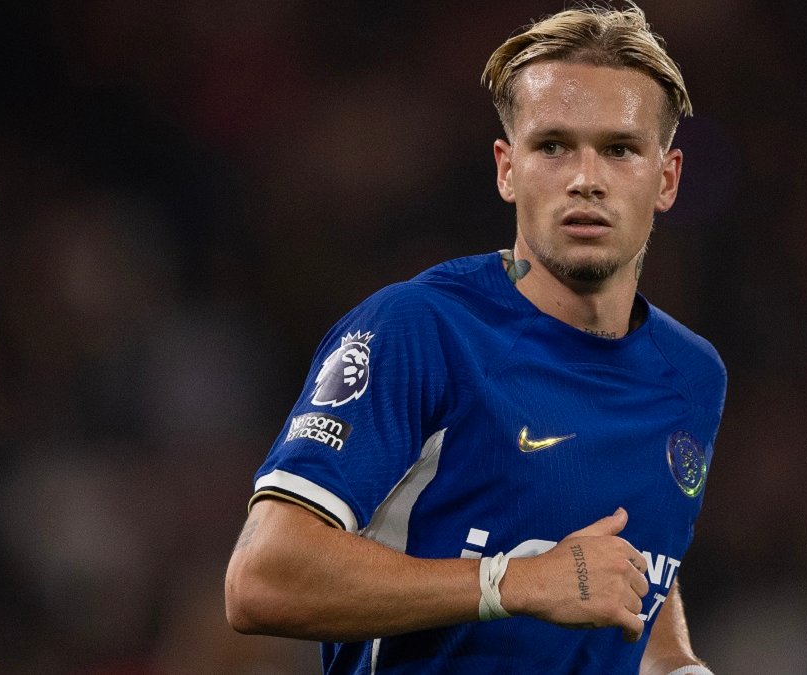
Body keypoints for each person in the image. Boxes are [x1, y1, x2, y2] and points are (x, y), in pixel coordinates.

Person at [225, 4, 725, 674]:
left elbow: (634, 581)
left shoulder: (692, 375)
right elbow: (262, 579)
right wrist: (513, 582)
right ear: (507, 168)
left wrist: (680, 666)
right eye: (553, 146)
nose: (585, 178)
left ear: (666, 178)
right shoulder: (421, 330)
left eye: (620, 149)